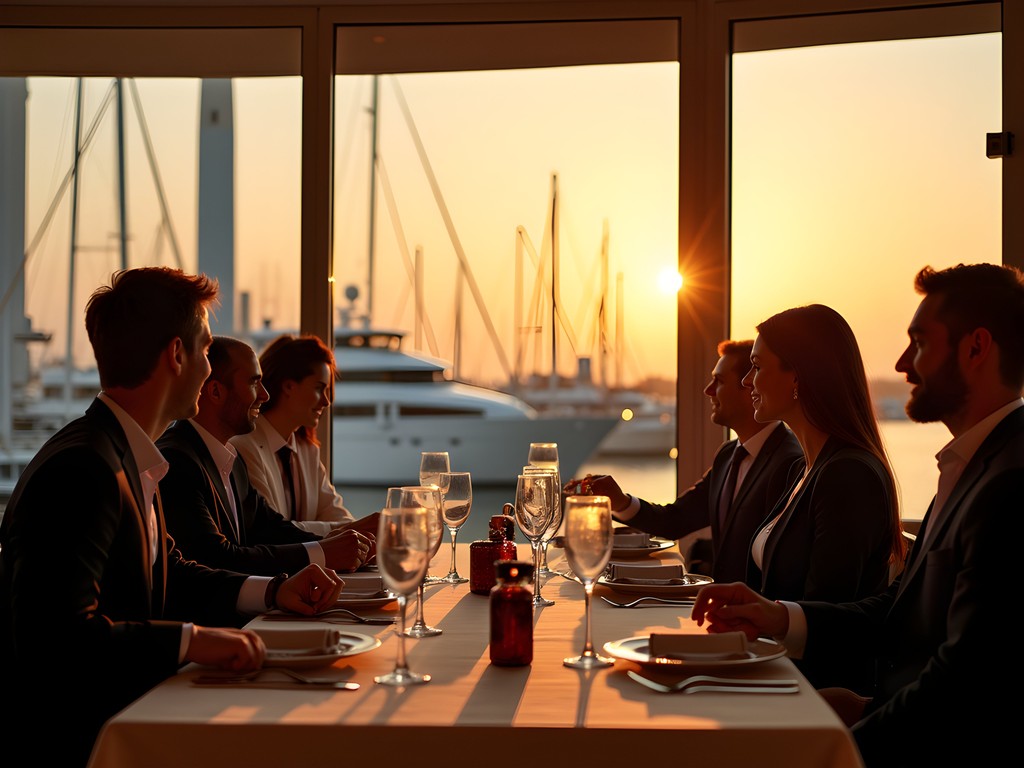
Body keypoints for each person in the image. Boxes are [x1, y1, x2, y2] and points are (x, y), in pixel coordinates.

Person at [0, 268, 345, 768]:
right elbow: (59, 643)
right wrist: (194, 640)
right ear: (177, 356)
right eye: (206, 351)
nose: (209, 370)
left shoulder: (126, 453)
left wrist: (273, 591)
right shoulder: (82, 470)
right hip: (92, 742)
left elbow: (172, 572)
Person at [691, 263, 1024, 767]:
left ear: (976, 348)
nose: (901, 364)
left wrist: (846, 743)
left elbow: (968, 678)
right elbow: (898, 609)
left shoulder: (1010, 482)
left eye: (920, 343)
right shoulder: (971, 467)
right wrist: (778, 615)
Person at [738, 304, 905, 691]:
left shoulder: (848, 475)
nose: (748, 380)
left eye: (758, 366)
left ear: (798, 375)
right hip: (779, 676)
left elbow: (828, 617)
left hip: (809, 693)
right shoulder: (808, 469)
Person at [570, 339, 803, 586]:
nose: (708, 390)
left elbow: (783, 569)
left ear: (750, 387)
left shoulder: (789, 462)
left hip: (752, 617)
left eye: (720, 381)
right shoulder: (728, 455)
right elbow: (676, 520)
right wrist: (620, 501)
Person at [158, 336, 378, 576]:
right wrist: (324, 552)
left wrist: (344, 547)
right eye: (254, 383)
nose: (265, 394)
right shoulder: (177, 460)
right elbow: (217, 558)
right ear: (215, 391)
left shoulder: (229, 457)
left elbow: (271, 527)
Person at [232, 333, 372, 537]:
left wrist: (350, 531)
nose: (326, 402)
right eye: (319, 388)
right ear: (288, 386)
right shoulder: (244, 447)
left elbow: (337, 515)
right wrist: (345, 531)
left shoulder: (306, 450)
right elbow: (270, 532)